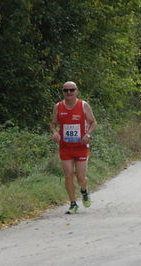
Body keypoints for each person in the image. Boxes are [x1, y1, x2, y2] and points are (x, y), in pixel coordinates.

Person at [50, 81, 97, 214]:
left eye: (72, 90)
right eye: (66, 91)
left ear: (77, 91)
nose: (69, 93)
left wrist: (88, 134)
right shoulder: (58, 107)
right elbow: (53, 124)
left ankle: (84, 190)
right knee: (68, 175)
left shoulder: (83, 105)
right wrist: (55, 132)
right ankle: (72, 203)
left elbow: (93, 122)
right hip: (65, 147)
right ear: (63, 92)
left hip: (81, 146)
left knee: (81, 177)